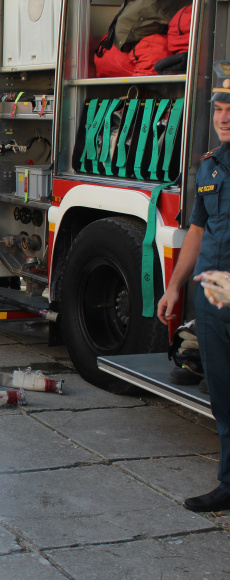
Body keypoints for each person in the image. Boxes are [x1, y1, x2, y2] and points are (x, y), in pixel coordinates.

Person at [157, 61, 230, 513]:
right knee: (222, 394)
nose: (224, 115)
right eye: (220, 107)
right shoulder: (209, 167)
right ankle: (228, 483)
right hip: (212, 301)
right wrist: (174, 287)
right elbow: (197, 232)